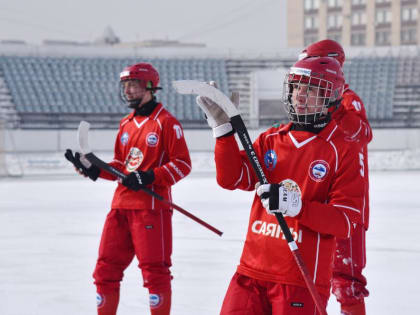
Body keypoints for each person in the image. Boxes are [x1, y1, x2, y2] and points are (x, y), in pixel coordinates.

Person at [196, 56, 365, 314]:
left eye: (310, 89)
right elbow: (231, 178)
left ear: (330, 96)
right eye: (296, 87)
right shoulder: (272, 138)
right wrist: (223, 131)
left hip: (298, 279)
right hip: (251, 272)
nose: (300, 95)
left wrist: (297, 206)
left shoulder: (343, 149)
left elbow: (345, 221)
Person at [65, 62, 192, 315]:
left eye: (134, 85)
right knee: (105, 270)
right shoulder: (125, 123)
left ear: (150, 87)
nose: (129, 91)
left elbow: (182, 165)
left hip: (150, 209)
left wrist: (148, 177)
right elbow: (120, 166)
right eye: (126, 86)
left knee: (155, 271)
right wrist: (93, 168)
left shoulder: (167, 123)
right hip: (120, 208)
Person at [300, 39, 372, 315]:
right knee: (313, 276)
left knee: (346, 281)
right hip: (319, 202)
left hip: (346, 207)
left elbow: (362, 134)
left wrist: (337, 109)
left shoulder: (347, 100)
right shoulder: (312, 101)